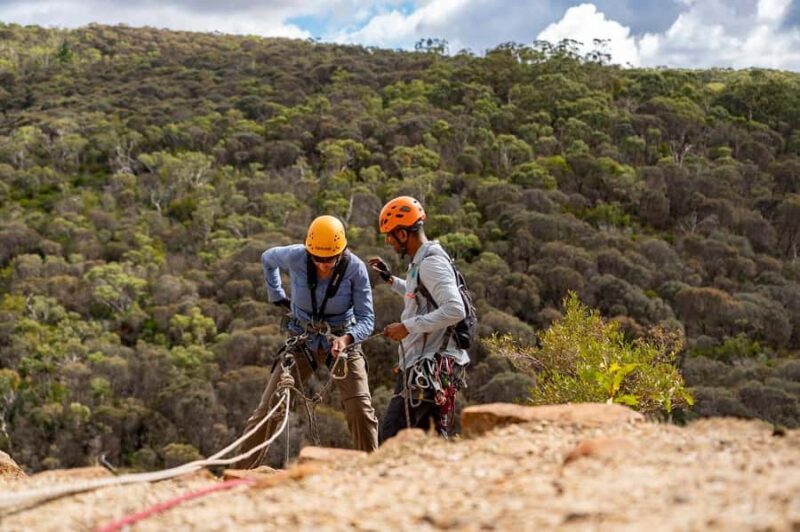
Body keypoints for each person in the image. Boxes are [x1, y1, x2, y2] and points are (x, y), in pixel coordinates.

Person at [235, 215, 378, 468]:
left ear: (341, 252)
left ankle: (371, 473)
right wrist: (276, 294)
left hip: (342, 341)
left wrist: (346, 339)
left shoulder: (355, 269)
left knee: (360, 410)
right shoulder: (296, 256)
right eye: (318, 258)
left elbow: (367, 318)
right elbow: (267, 258)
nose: (323, 265)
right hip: (303, 341)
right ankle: (238, 474)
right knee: (268, 410)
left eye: (330, 260)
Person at [369, 196, 470, 442]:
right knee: (433, 437)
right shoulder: (422, 261)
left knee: (392, 437)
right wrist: (391, 280)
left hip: (426, 367)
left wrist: (407, 327)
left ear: (403, 234)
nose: (388, 241)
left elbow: (456, 309)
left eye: (391, 235)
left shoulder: (431, 264)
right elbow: (421, 297)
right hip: (428, 366)